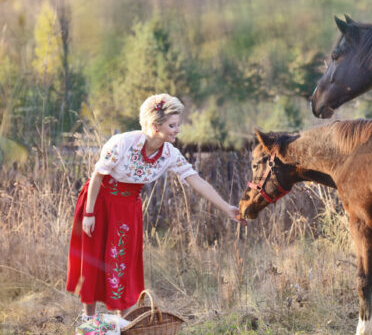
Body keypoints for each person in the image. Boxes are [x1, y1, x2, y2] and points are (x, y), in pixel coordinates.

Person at [66, 93, 243, 319]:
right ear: (154, 125)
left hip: (128, 208)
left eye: (178, 124)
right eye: (172, 125)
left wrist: (227, 208)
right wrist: (89, 214)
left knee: (122, 260)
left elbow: (195, 180)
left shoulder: (170, 153)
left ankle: (124, 323)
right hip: (99, 201)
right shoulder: (122, 143)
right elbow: (97, 177)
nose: (177, 130)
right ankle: (88, 319)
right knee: (94, 258)